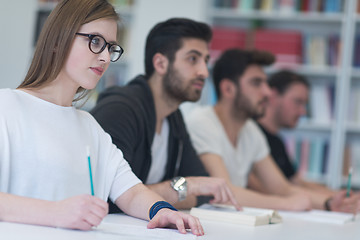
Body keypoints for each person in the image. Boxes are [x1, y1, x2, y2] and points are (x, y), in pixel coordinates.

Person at [0, 0, 204, 236]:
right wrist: (55, 212)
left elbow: (131, 191)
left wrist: (162, 210)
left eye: (111, 47)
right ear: (58, 41)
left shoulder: (90, 127)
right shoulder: (6, 107)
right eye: (95, 41)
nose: (106, 57)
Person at [91, 18, 239, 212]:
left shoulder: (173, 117)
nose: (204, 72)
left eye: (205, 61)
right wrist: (183, 187)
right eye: (193, 59)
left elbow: (204, 190)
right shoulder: (120, 110)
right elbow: (109, 196)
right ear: (160, 63)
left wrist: (179, 190)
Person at [185, 48, 359, 213]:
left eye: (265, 83)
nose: (267, 92)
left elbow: (281, 187)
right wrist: (286, 204)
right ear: (228, 89)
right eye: (256, 83)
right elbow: (224, 192)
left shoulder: (250, 130)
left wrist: (329, 203)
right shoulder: (202, 121)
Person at [254, 70, 349, 196]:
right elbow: (274, 190)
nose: (303, 112)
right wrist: (329, 201)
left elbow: (294, 181)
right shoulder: (252, 135)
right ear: (273, 95)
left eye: (304, 104)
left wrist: (338, 196)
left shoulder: (277, 141)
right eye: (298, 102)